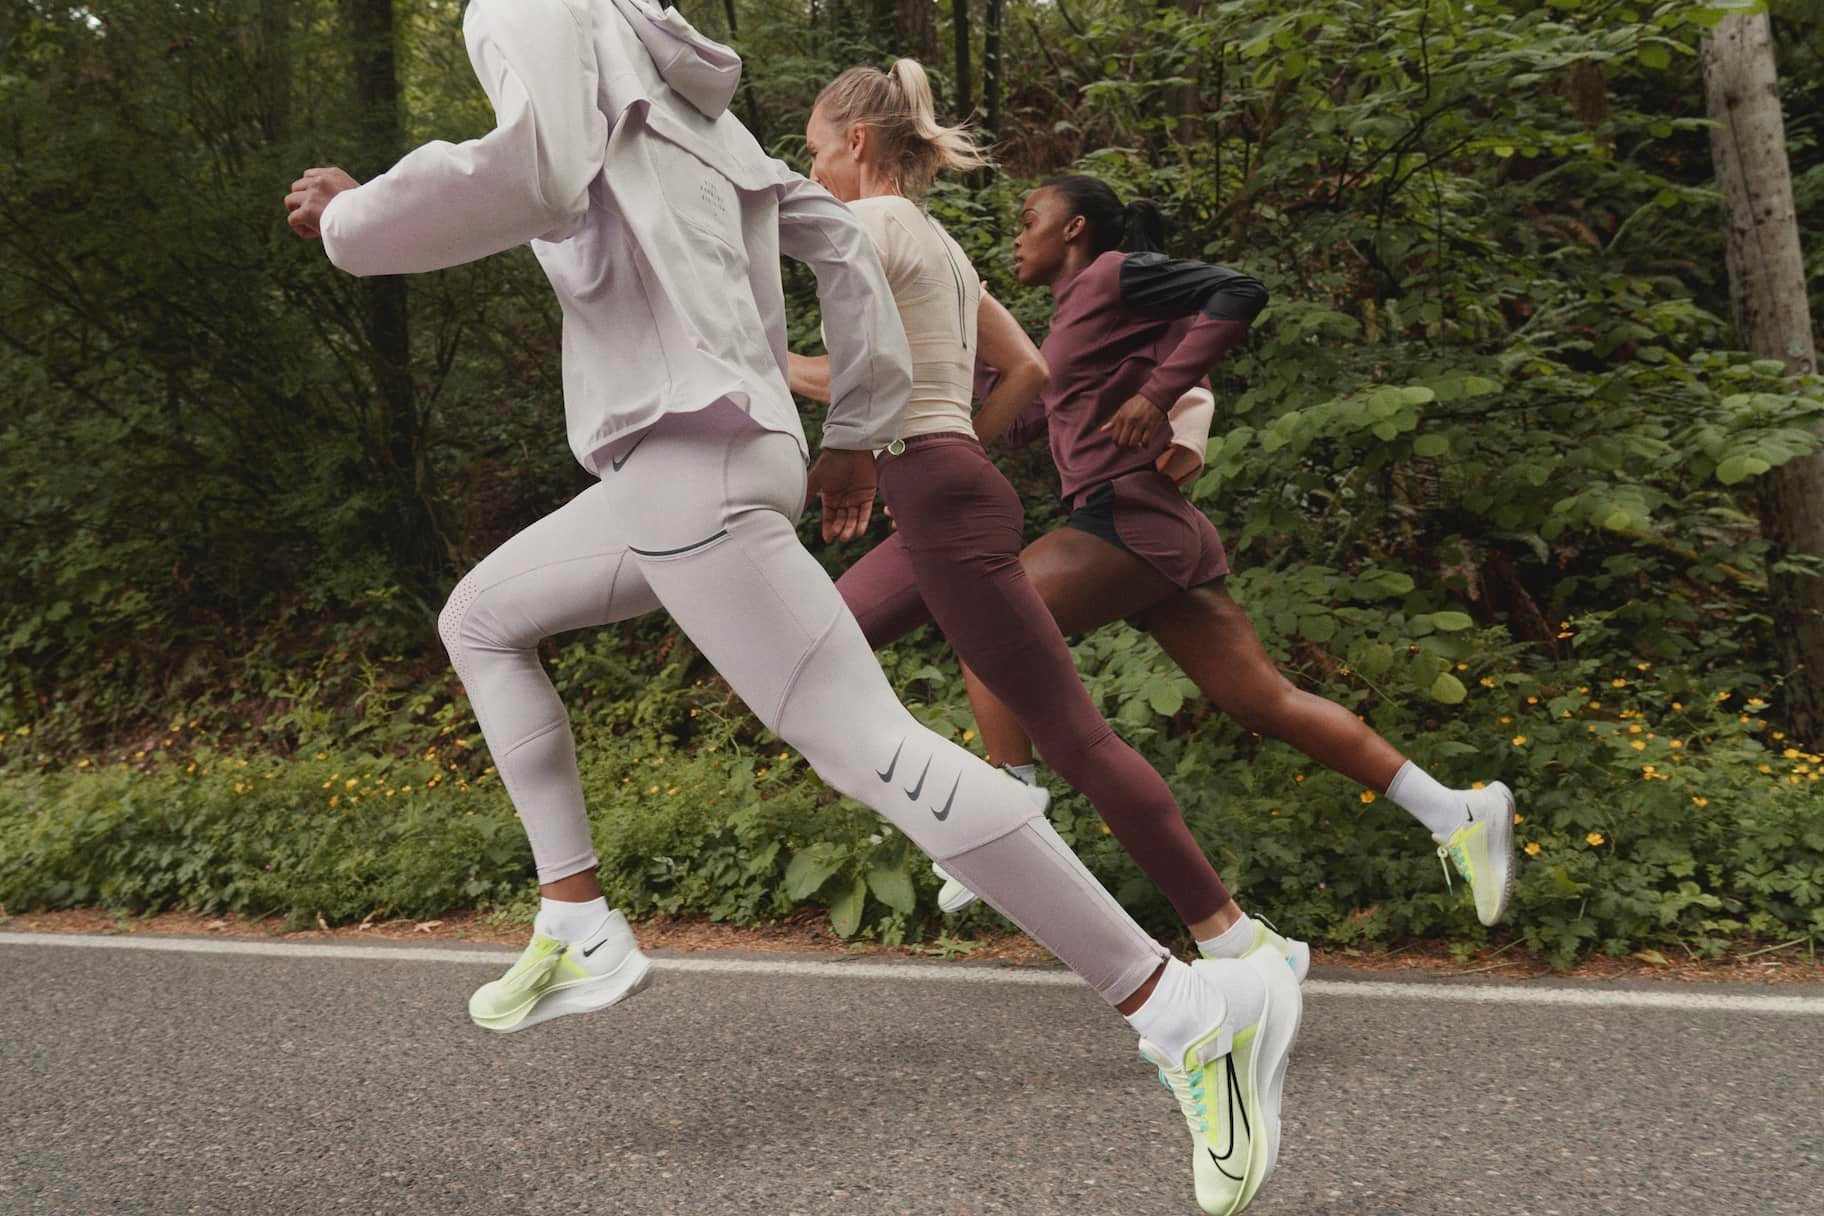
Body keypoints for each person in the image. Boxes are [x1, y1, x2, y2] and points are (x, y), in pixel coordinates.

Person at [283, 4, 1298, 1212]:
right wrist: (856, 430)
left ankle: (1181, 1013)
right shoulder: (693, 101)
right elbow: (830, 239)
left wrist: (353, 214)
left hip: (682, 457)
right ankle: (579, 916)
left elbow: (538, 166)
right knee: (482, 618)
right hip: (702, 453)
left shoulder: (532, 6)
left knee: (872, 747)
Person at [797, 60, 1310, 986]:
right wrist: (959, 450)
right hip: (940, 487)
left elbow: (862, 378)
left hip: (938, 494)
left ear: (858, 144)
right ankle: (961, 817)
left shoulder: (868, 222)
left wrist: (769, 365)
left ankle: (1237, 937)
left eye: (815, 153)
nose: (811, 174)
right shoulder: (942, 245)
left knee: (1072, 736)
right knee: (820, 642)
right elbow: (1027, 369)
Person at [938, 175, 1516, 929]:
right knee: (1264, 701)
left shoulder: (1115, 275)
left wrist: (1158, 394)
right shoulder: (1067, 322)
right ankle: (1458, 810)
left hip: (1126, 520)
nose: (1017, 233)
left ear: (1074, 228)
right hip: (1148, 533)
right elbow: (1019, 424)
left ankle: (1008, 804)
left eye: (1029, 217)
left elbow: (1238, 290)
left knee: (985, 615)